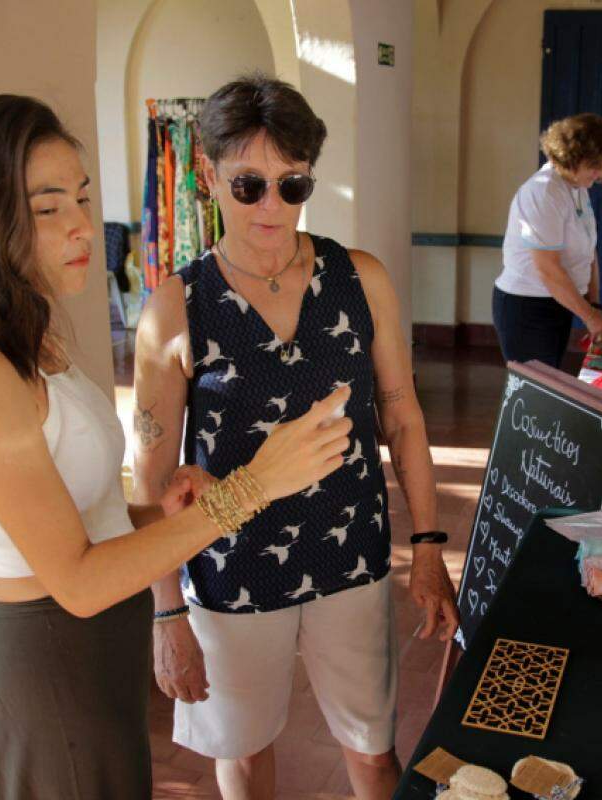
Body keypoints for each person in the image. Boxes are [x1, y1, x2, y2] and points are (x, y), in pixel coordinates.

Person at [0, 94, 351, 800]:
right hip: (52, 653)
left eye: (81, 198)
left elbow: (81, 520)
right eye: (49, 207)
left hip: (94, 649)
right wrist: (255, 485)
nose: (85, 225)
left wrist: (161, 514)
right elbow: (77, 580)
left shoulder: (28, 342)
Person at [134, 73, 458, 800]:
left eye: (293, 185)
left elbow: (402, 416)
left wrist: (430, 546)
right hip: (231, 569)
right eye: (249, 185)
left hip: (352, 557)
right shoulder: (177, 306)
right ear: (209, 175)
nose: (271, 206)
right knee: (245, 757)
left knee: (375, 752)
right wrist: (167, 612)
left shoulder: (358, 277)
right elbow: (151, 475)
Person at [492, 112, 602, 369]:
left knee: (549, 381)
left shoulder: (577, 188)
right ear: (571, 159)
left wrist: (593, 304)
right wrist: (591, 317)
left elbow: (589, 248)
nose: (600, 174)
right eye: (595, 165)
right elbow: (548, 269)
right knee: (533, 391)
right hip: (527, 308)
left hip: (556, 302)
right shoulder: (543, 192)